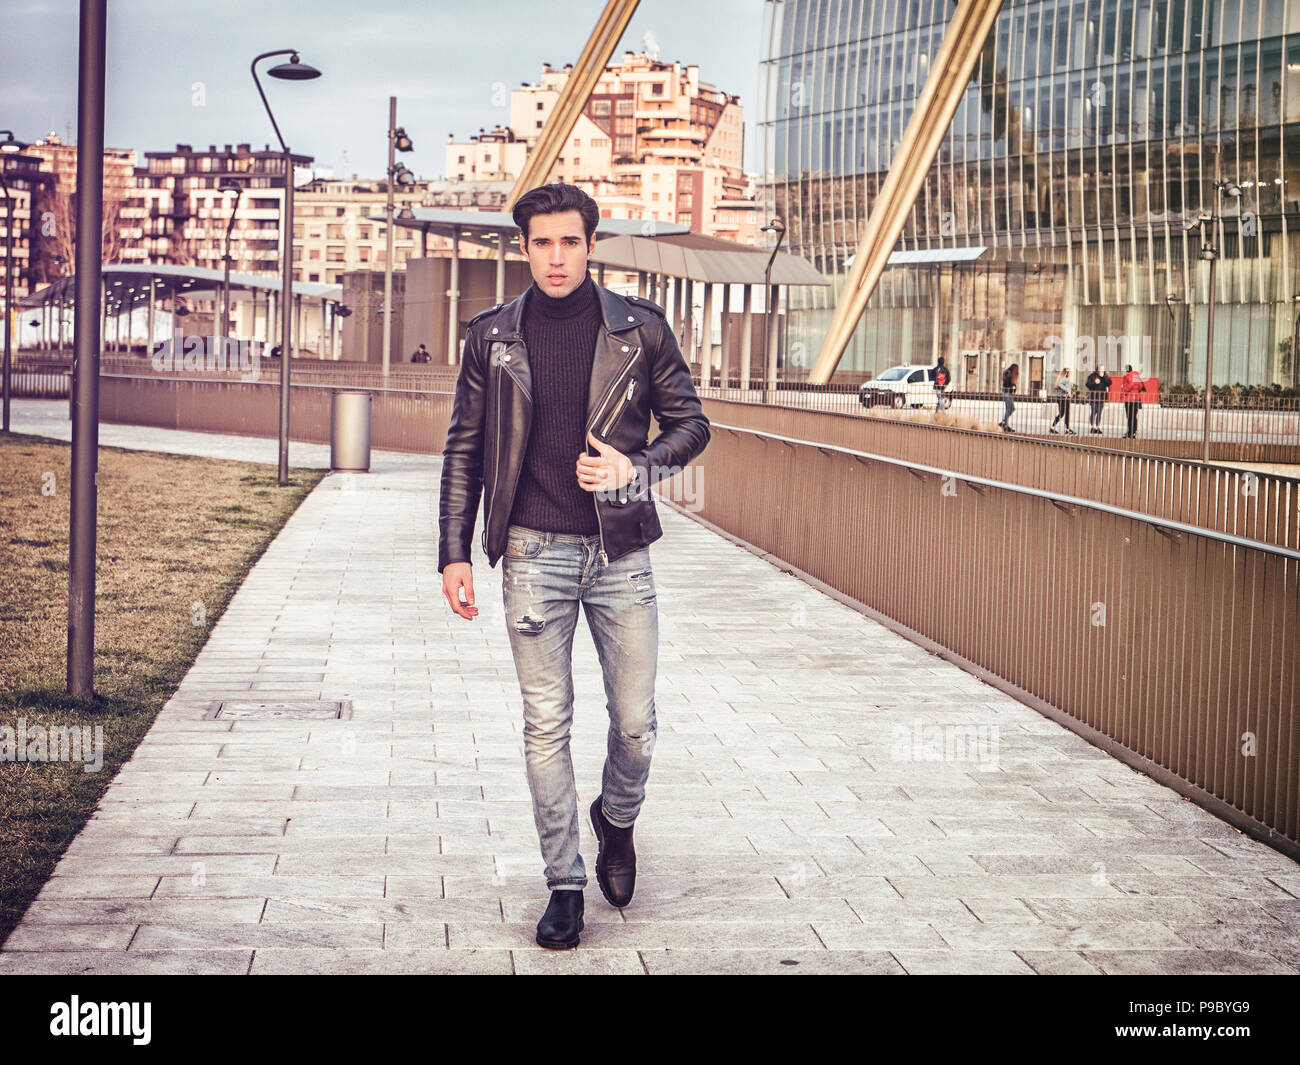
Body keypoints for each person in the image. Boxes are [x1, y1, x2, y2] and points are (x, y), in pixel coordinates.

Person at [438, 182, 710, 951]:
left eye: (569, 241)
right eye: (541, 242)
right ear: (524, 248)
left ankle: (615, 819)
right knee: (545, 725)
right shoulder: (492, 337)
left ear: (591, 245)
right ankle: (564, 883)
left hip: (619, 552)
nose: (555, 257)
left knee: (635, 723)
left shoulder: (640, 330)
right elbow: (464, 445)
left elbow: (693, 424)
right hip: (529, 550)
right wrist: (453, 549)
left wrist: (637, 464)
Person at [1049, 368, 1076, 435]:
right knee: (1062, 413)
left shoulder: (1062, 379)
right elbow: (1060, 385)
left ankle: (1067, 429)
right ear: (1066, 373)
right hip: (1063, 398)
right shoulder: (1064, 379)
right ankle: (1053, 427)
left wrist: (1070, 391)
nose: (1070, 374)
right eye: (1069, 372)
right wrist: (1068, 390)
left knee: (1066, 413)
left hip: (1064, 398)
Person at [1120, 363, 1144, 438]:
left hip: (1129, 399)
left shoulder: (1128, 376)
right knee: (1134, 416)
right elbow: (1140, 387)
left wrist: (1124, 389)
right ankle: (1133, 431)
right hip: (1136, 399)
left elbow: (1130, 385)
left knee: (1130, 416)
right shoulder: (1137, 376)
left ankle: (1130, 432)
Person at [1085, 364, 1111, 433]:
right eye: (1100, 369)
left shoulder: (1105, 377)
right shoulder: (1092, 376)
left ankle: (1097, 426)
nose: (1102, 370)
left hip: (1101, 398)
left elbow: (1109, 383)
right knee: (1094, 412)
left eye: (1103, 369)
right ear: (1097, 369)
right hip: (1094, 397)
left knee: (1099, 412)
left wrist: (1103, 377)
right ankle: (1092, 427)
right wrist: (1094, 382)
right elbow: (1087, 384)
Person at [999, 362, 1019, 432]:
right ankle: (1004, 424)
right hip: (1007, 394)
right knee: (1009, 409)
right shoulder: (1010, 374)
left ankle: (1004, 423)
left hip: (1007, 393)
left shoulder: (1008, 373)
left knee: (1011, 408)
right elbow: (1008, 384)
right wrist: (1013, 387)